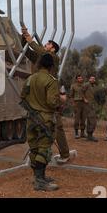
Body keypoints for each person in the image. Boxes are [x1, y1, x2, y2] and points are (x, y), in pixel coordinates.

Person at [21, 27, 70, 164]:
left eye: (48, 44)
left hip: (49, 93)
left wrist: (31, 41)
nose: (45, 45)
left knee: (57, 125)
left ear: (53, 49)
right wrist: (24, 37)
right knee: (35, 124)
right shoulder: (40, 58)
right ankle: (38, 154)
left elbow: (41, 51)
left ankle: (64, 153)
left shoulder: (54, 58)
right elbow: (26, 52)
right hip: (37, 93)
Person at [21, 54, 65, 191]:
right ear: (51, 66)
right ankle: (40, 182)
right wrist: (61, 101)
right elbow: (52, 102)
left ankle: (39, 177)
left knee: (34, 148)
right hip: (45, 119)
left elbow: (22, 97)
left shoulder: (30, 78)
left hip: (31, 119)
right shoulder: (51, 80)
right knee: (44, 150)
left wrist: (32, 109)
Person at [83, 76, 99, 142]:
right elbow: (81, 91)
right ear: (89, 79)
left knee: (90, 120)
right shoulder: (86, 85)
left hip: (93, 105)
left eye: (94, 79)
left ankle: (89, 136)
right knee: (93, 121)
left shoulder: (94, 86)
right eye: (91, 78)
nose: (92, 79)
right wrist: (84, 99)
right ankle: (90, 135)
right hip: (87, 105)